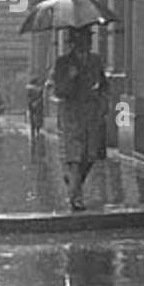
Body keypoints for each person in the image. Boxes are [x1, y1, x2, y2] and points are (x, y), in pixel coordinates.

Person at [52, 26, 108, 210]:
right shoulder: (63, 63)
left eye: (89, 39)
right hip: (72, 113)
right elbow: (59, 91)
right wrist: (70, 77)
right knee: (75, 156)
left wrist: (103, 102)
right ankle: (76, 198)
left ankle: (74, 183)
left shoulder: (96, 60)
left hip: (92, 114)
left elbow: (103, 85)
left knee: (90, 156)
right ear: (74, 42)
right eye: (83, 39)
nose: (87, 42)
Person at [25, 77, 45, 143]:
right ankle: (35, 132)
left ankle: (37, 131)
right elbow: (29, 98)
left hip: (37, 107)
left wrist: (37, 102)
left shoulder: (39, 89)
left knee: (37, 119)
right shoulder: (31, 89)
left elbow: (41, 97)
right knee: (33, 120)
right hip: (32, 106)